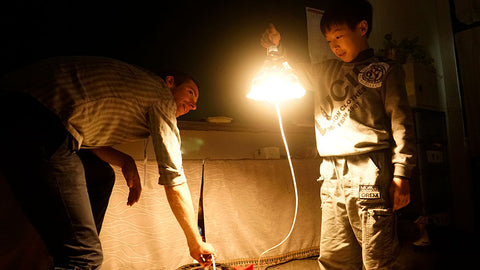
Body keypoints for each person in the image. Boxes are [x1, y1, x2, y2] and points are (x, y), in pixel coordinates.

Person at [0, 56, 216, 269]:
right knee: (85, 256)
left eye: (196, 101)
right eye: (190, 92)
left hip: (29, 112)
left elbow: (84, 137)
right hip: (33, 115)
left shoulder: (136, 90)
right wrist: (195, 241)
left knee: (101, 175)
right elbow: (173, 177)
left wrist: (124, 160)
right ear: (169, 82)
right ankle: (79, 254)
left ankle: (72, 246)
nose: (194, 105)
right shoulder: (161, 95)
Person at [260, 0, 416, 269]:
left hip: (369, 167)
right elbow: (290, 70)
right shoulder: (325, 71)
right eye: (329, 39)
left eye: (339, 36)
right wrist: (275, 48)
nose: (334, 45)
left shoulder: (386, 70)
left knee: (377, 255)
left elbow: (401, 122)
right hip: (330, 171)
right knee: (334, 253)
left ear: (362, 28)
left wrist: (402, 173)